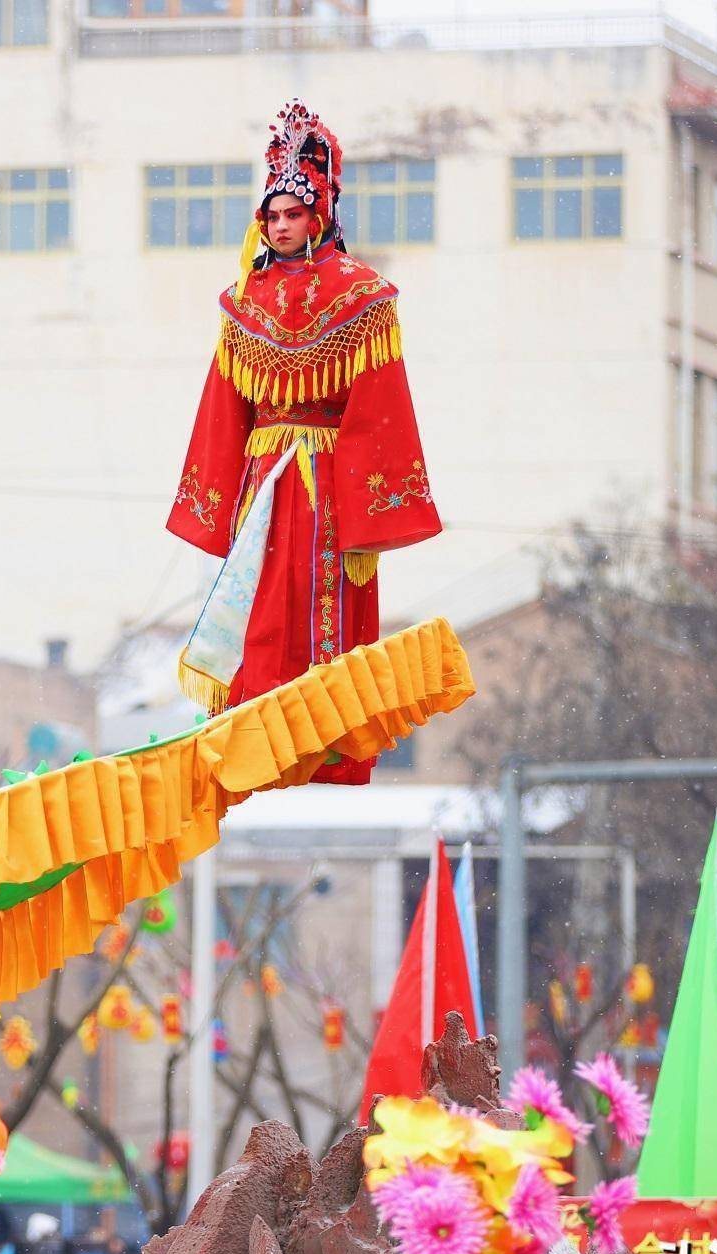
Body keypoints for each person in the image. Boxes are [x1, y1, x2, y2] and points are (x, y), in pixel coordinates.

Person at [166, 98, 443, 783]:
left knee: (320, 612)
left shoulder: (363, 297)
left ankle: (320, 745)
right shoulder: (244, 299)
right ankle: (251, 736)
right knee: (257, 611)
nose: (283, 225)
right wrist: (216, 501)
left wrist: (367, 514)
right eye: (273, 216)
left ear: (319, 215)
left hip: (327, 482)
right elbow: (222, 412)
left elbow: (380, 414)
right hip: (263, 483)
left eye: (294, 213)